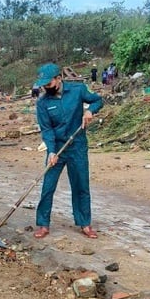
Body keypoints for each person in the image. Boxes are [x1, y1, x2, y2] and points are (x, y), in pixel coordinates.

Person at [32, 63, 103, 240]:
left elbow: (98, 100)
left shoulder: (78, 90)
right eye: (43, 84)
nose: (45, 87)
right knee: (48, 186)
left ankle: (84, 223)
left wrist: (89, 111)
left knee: (81, 185)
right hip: (57, 148)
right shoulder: (42, 103)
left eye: (48, 83)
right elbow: (46, 129)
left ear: (59, 78)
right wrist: (51, 151)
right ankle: (43, 224)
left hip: (77, 146)